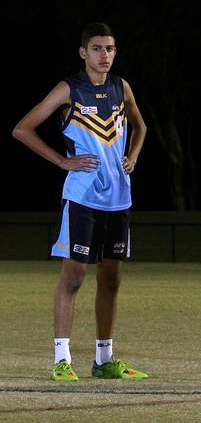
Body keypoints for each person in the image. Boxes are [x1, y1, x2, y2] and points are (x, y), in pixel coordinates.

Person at [12, 22, 148, 382]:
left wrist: (133, 155)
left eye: (111, 49)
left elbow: (141, 126)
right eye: (98, 49)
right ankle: (62, 359)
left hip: (118, 198)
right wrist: (61, 161)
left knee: (111, 279)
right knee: (73, 277)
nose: (105, 55)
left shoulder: (122, 87)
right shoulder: (68, 89)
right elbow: (22, 129)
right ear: (83, 52)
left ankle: (104, 359)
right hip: (82, 197)